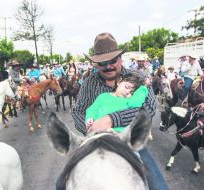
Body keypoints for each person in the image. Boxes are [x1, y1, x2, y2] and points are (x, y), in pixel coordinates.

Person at [72, 32, 168, 190]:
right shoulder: (89, 82)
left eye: (112, 61)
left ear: (120, 58)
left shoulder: (138, 77)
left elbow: (148, 110)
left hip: (131, 142)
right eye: (102, 63)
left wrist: (111, 119)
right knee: (61, 183)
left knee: (159, 187)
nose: (108, 65)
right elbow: (78, 111)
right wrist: (91, 129)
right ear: (96, 64)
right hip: (96, 141)